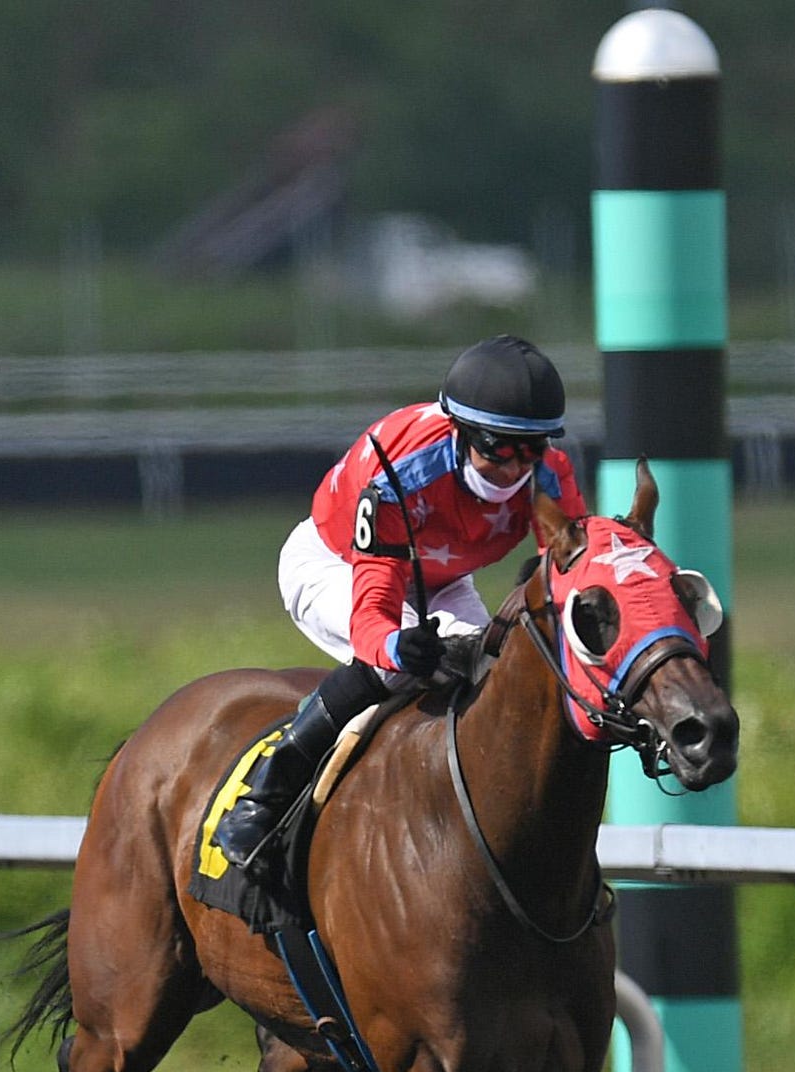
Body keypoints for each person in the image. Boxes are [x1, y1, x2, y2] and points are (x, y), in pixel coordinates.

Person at [213, 334, 591, 870]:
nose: (513, 468)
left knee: (496, 675)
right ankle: (266, 793)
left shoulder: (548, 472)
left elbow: (569, 570)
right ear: (459, 432)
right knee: (397, 672)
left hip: (441, 579)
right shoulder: (400, 477)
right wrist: (394, 645)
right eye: (496, 448)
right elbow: (373, 614)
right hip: (336, 563)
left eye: (528, 449)